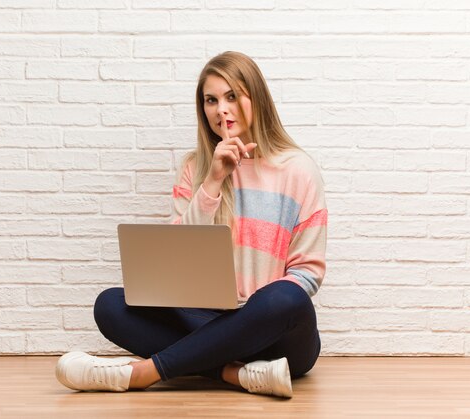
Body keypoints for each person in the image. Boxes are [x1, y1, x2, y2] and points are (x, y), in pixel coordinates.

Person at [55, 51, 328, 398]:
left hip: (277, 335)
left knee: (287, 297)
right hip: (207, 321)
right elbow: (176, 262)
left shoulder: (299, 170)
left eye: (232, 96)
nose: (221, 110)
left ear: (255, 97)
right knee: (110, 305)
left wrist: (254, 313)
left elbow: (307, 273)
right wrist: (212, 181)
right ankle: (236, 374)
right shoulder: (195, 168)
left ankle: (144, 373)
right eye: (211, 100)